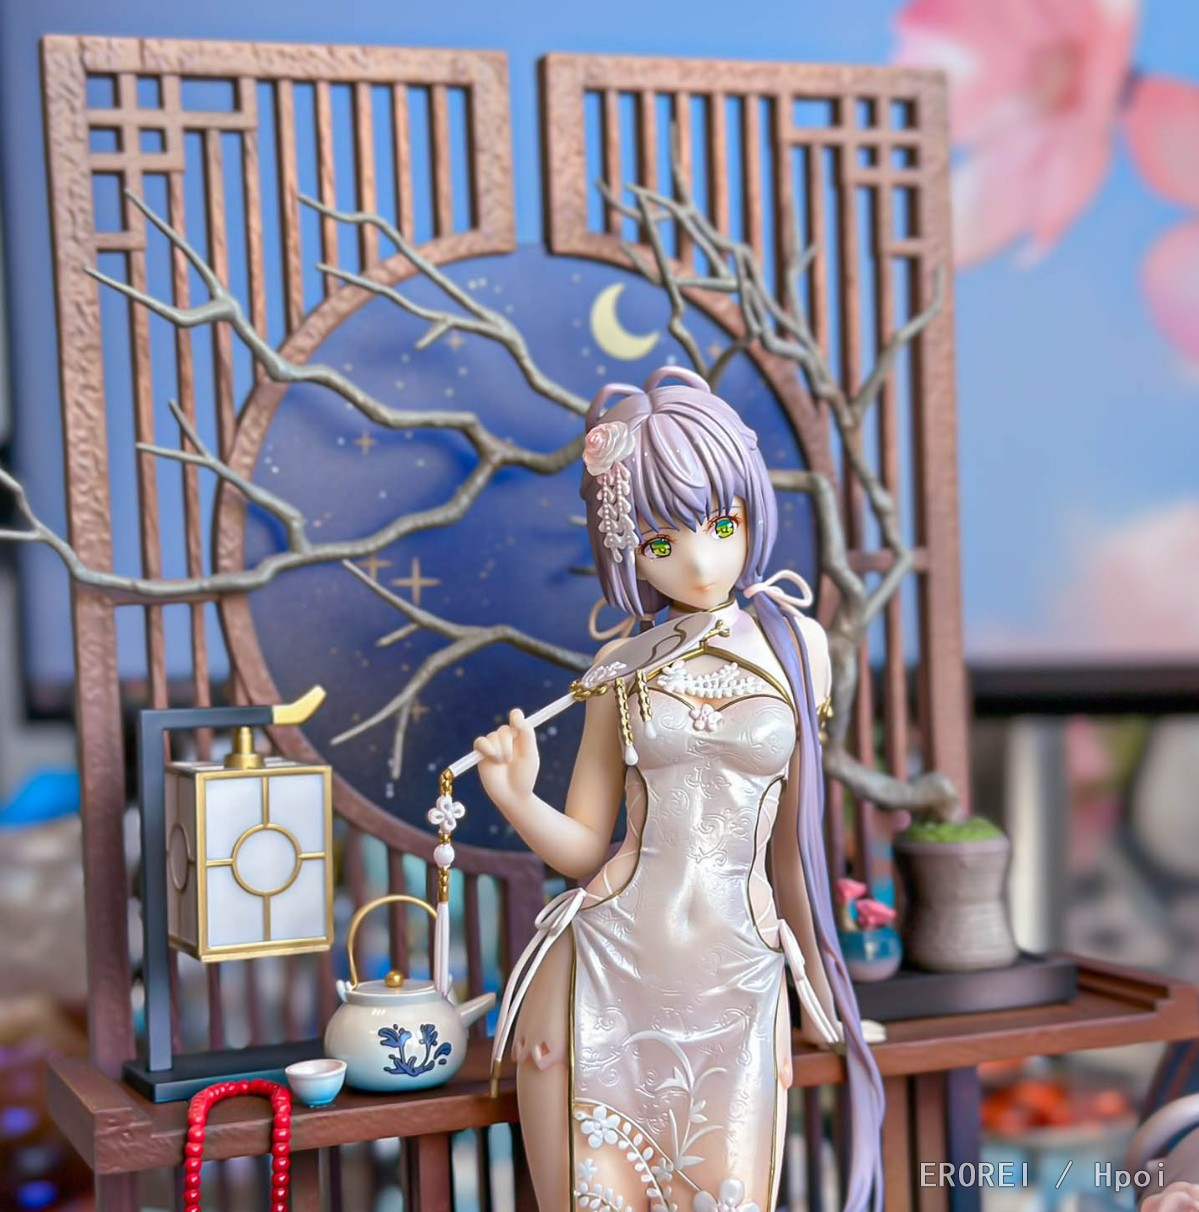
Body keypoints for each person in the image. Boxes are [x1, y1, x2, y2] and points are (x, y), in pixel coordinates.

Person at [473, 366, 884, 1212]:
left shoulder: (796, 645)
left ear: (750, 515)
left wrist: (822, 996)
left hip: (735, 969)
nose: (699, 560)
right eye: (660, 543)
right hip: (607, 961)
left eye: (722, 525)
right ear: (625, 548)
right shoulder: (619, 664)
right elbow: (585, 848)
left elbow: (795, 847)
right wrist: (515, 797)